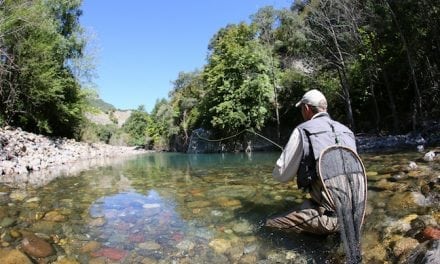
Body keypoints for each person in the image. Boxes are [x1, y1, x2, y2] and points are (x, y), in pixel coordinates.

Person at [265, 89, 358, 235]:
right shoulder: (346, 131)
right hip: (358, 211)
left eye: (301, 108)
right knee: (308, 204)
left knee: (270, 224)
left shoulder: (303, 130)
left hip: (333, 219)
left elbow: (281, 175)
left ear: (307, 108)